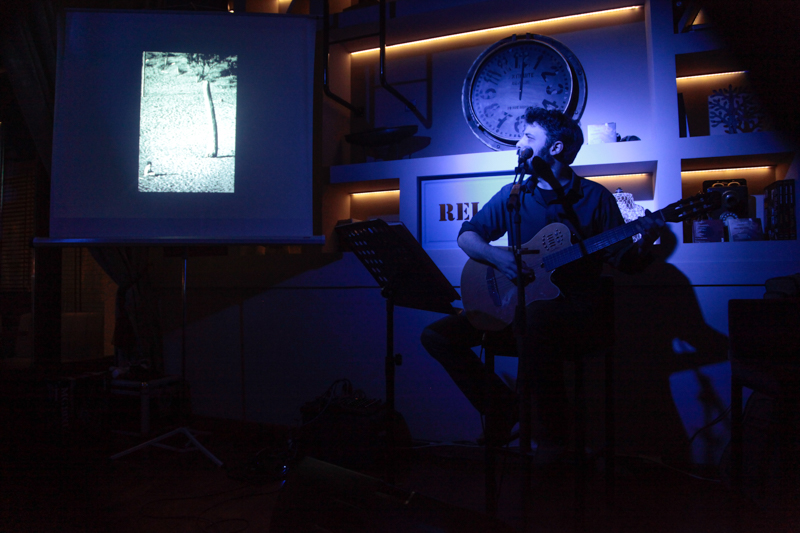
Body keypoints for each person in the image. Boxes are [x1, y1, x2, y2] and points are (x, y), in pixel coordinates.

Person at [420, 107, 663, 454]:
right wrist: (498, 257)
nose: (519, 143)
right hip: (517, 308)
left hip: (574, 313)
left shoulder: (596, 198)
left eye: (528, 136)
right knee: (437, 336)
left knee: (534, 318)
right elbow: (467, 236)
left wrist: (645, 242)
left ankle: (553, 442)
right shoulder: (516, 194)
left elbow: (625, 261)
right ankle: (503, 407)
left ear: (556, 148)